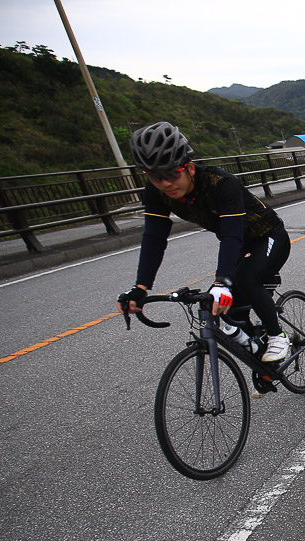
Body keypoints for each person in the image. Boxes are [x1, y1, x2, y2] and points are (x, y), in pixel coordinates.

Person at [118, 121, 291, 362]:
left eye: (171, 173)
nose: (165, 183)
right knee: (219, 306)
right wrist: (141, 287)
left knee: (244, 279)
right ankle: (257, 351)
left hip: (269, 235)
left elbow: (231, 234)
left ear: (188, 167)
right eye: (155, 176)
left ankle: (278, 336)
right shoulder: (157, 192)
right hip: (241, 245)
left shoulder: (220, 183)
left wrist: (223, 280)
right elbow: (154, 239)